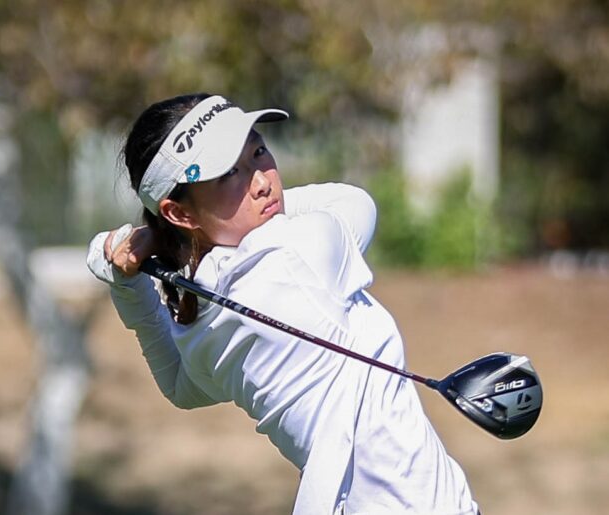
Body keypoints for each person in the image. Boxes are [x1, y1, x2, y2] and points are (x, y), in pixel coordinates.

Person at [86, 93, 479, 514]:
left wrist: (126, 280)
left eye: (258, 151)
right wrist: (155, 252)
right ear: (179, 213)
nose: (262, 181)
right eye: (230, 174)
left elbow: (180, 386)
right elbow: (357, 202)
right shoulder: (298, 249)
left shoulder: (200, 320)